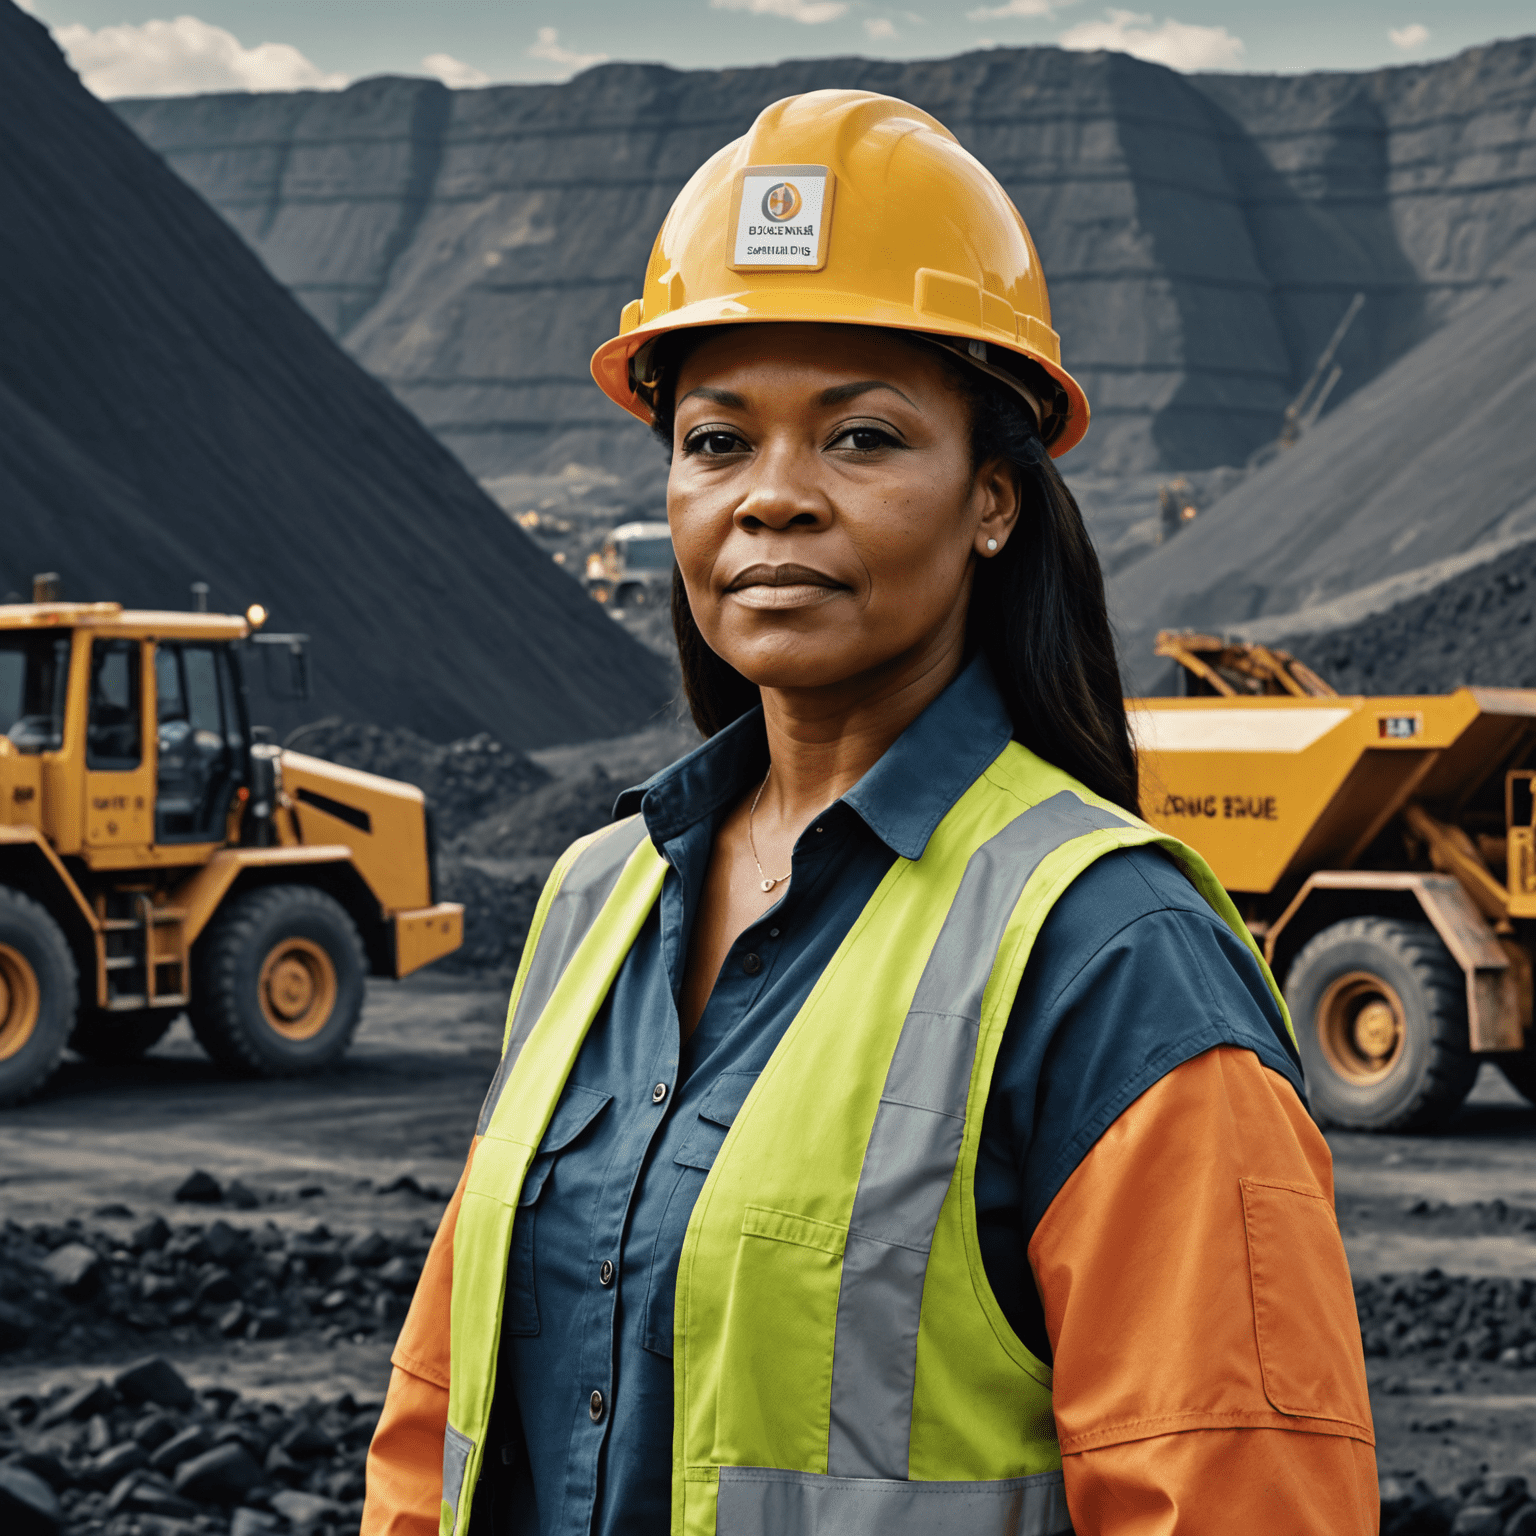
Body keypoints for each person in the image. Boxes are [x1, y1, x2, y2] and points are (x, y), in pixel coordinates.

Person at [362, 90, 1376, 1536]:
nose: (772, 500)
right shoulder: (601, 898)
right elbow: (437, 1429)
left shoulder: (1108, 954)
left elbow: (1239, 1496)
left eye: (863, 439)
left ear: (995, 501)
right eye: (717, 442)